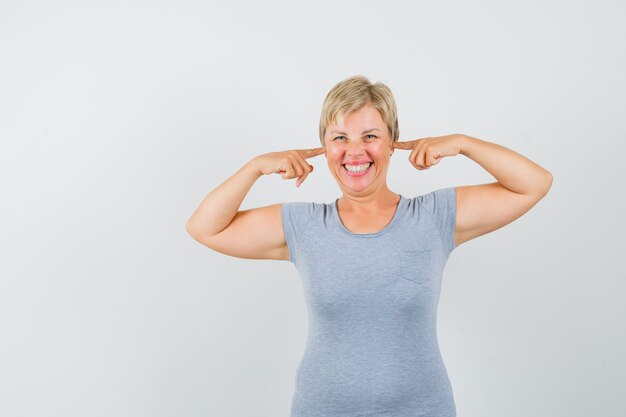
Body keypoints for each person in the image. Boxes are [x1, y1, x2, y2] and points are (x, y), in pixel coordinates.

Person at [185, 75, 553, 417]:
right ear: (324, 148)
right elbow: (205, 228)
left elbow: (534, 183)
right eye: (340, 137)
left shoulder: (434, 217)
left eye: (370, 136)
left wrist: (463, 143)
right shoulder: (303, 225)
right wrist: (254, 167)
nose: (354, 151)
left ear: (392, 142)